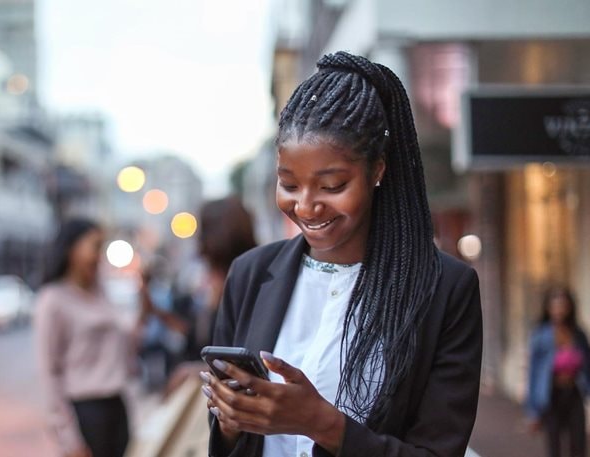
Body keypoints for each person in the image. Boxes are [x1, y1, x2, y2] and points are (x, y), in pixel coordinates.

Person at [199, 51, 482, 457]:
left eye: (332, 186)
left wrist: (320, 422)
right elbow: (228, 446)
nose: (306, 207)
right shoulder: (250, 274)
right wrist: (230, 421)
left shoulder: (444, 290)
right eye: (289, 185)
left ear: (377, 170)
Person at [34, 218, 134, 457]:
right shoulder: (52, 300)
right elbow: (49, 372)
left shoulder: (101, 291)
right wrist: (68, 438)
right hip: (86, 413)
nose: (100, 256)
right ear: (72, 248)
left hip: (117, 405)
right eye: (95, 246)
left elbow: (125, 341)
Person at [140, 196, 257, 394]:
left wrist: (196, 371)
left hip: (224, 400)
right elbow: (197, 334)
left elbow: (248, 356)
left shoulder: (245, 281)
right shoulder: (213, 280)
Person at [527, 286, 590, 457]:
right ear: (548, 308)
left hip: (574, 393)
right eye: (555, 304)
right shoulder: (540, 335)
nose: (559, 309)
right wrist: (533, 412)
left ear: (570, 307)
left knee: (579, 445)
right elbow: (533, 374)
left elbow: (588, 368)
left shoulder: (578, 334)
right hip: (551, 396)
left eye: (563, 304)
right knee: (554, 448)